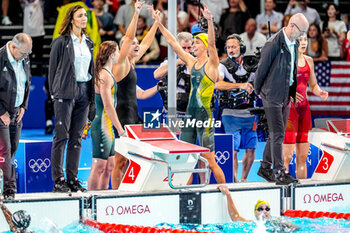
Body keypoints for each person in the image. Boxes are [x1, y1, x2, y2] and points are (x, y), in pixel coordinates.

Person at [156, 3, 226, 184]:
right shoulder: (190, 62)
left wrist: (210, 21)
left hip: (204, 117)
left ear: (203, 46)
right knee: (186, 158)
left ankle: (225, 191)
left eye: (196, 42)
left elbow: (212, 43)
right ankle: (187, 192)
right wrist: (158, 24)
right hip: (189, 115)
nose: (192, 45)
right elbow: (172, 42)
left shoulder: (211, 64)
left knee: (210, 160)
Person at [254, 13, 309, 185]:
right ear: (292, 25)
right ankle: (279, 172)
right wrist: (258, 90)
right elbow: (261, 69)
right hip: (271, 94)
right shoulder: (273, 44)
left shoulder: (295, 42)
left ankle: (265, 168)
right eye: (301, 31)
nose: (302, 35)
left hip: (285, 94)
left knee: (276, 134)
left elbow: (292, 69)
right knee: (278, 134)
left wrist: (291, 92)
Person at [110, 0, 160, 189]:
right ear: (124, 48)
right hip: (122, 117)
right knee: (120, 161)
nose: (137, 44)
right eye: (133, 44)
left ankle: (130, 188)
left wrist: (155, 23)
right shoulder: (120, 64)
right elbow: (129, 35)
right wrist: (136, 13)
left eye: (137, 43)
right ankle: (115, 195)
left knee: (136, 160)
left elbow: (146, 43)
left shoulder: (131, 63)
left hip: (134, 116)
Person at [49, 5, 95, 193]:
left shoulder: (89, 42)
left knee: (77, 137)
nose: (84, 18)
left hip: (84, 90)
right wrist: (55, 93)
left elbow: (90, 69)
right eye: (80, 15)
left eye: (85, 15)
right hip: (65, 92)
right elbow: (53, 70)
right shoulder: (61, 42)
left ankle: (72, 178)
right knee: (61, 136)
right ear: (71, 19)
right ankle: (58, 179)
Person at [283, 34, 328, 179]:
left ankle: (301, 189)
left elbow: (313, 84)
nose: (303, 43)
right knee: (287, 156)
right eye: (300, 40)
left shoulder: (309, 61)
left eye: (305, 40)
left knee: (302, 157)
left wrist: (319, 91)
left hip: (305, 111)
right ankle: (283, 183)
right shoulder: (286, 60)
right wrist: (290, 93)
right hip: (290, 111)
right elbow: (277, 84)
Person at [215, 34, 256, 183]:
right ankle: (234, 181)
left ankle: (244, 180)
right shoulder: (222, 65)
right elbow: (217, 84)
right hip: (230, 113)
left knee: (251, 148)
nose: (231, 50)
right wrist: (240, 85)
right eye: (229, 47)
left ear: (242, 47)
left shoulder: (252, 63)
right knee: (233, 149)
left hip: (250, 112)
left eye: (234, 47)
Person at [87, 41, 124, 190]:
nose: (120, 54)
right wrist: (120, 129)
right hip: (101, 125)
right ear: (111, 54)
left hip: (107, 126)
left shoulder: (107, 74)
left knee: (109, 165)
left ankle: (103, 199)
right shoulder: (104, 75)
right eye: (118, 51)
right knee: (99, 165)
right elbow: (108, 106)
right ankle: (91, 200)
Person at [0, 33, 32, 200]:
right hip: (2, 114)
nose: (26, 57)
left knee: (11, 151)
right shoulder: (1, 58)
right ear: (13, 47)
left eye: (28, 54)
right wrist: (1, 112)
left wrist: (23, 107)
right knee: (5, 152)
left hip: (16, 113)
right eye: (24, 53)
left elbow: (27, 83)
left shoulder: (24, 58)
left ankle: (6, 183)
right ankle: (9, 190)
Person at [218, 185, 299, 231]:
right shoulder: (251, 223)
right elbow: (235, 217)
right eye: (260, 209)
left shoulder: (277, 222)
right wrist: (228, 195)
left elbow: (296, 228)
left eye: (267, 209)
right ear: (255, 213)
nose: (264, 211)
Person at [154, 31, 193, 114]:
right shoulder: (170, 61)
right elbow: (157, 75)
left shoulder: (197, 61)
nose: (187, 51)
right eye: (183, 48)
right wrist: (177, 62)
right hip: (174, 108)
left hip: (193, 107)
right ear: (177, 47)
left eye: (189, 48)